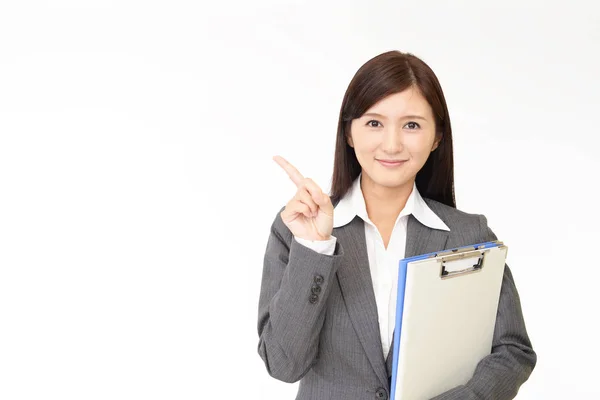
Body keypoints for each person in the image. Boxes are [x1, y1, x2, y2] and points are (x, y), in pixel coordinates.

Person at [256, 50, 536, 400]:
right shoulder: (296, 231)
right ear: (349, 133)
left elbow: (513, 351)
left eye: (412, 125)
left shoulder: (470, 236)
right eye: (374, 123)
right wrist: (315, 249)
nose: (392, 144)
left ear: (437, 138)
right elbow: (283, 364)